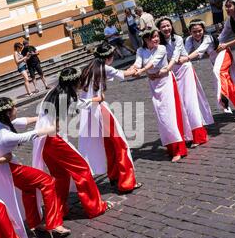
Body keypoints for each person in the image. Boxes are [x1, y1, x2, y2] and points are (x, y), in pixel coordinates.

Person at [32, 67, 114, 218]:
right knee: (82, 170)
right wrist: (96, 99)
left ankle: (59, 210)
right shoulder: (66, 98)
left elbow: (79, 104)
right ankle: (95, 207)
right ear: (74, 82)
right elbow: (64, 118)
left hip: (45, 143)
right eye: (79, 81)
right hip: (55, 141)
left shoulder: (54, 92)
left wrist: (94, 99)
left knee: (61, 176)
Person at [0, 97, 71, 238]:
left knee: (28, 189)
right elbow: (27, 136)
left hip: (6, 168)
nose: (17, 109)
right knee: (48, 182)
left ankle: (35, 223)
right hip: (11, 169)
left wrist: (40, 117)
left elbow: (21, 121)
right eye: (14, 107)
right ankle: (55, 225)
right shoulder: (4, 135)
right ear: (8, 112)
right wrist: (48, 129)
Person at [78, 43, 142, 194]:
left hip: (90, 113)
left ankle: (113, 176)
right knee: (120, 144)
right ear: (109, 57)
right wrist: (136, 67)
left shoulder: (90, 67)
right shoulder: (104, 67)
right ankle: (126, 182)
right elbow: (124, 74)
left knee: (109, 145)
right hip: (100, 110)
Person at [132, 29, 190, 163]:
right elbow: (137, 63)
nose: (157, 39)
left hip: (166, 83)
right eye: (153, 37)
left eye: (157, 36)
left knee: (169, 116)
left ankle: (178, 150)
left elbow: (153, 63)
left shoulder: (162, 48)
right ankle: (171, 147)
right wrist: (130, 71)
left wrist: (142, 71)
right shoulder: (140, 51)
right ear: (146, 40)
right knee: (162, 117)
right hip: (154, 85)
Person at [155, 16, 214, 147]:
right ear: (159, 29)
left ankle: (199, 136)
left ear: (171, 26)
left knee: (189, 102)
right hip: (171, 74)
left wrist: (167, 69)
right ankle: (187, 135)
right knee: (179, 104)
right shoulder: (159, 45)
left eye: (168, 25)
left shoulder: (179, 39)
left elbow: (176, 56)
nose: (166, 28)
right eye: (163, 26)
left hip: (184, 70)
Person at [184, 19, 235, 116]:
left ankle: (222, 97)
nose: (197, 33)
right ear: (190, 32)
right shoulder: (189, 40)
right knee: (228, 83)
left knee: (218, 73)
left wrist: (186, 58)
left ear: (203, 30)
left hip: (223, 55)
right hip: (215, 60)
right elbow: (186, 51)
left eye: (200, 31)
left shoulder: (208, 38)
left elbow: (199, 51)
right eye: (194, 32)